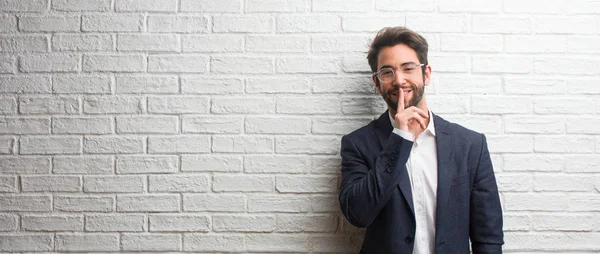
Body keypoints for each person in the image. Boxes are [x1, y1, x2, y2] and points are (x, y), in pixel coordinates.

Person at [338, 26, 503, 253]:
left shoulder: (470, 145)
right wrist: (399, 138)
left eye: (408, 68)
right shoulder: (357, 144)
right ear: (376, 83)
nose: (399, 80)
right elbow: (358, 214)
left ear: (426, 74)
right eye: (387, 72)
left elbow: (488, 236)